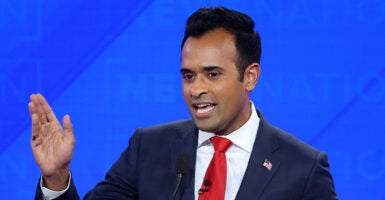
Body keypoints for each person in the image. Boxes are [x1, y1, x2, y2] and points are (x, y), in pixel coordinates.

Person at [28, 6, 338, 200]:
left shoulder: (304, 168)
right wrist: (56, 178)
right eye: (188, 76)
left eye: (212, 74)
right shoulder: (148, 148)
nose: (196, 89)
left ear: (250, 77)